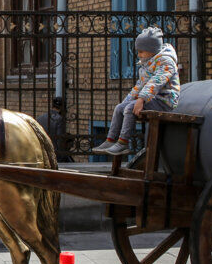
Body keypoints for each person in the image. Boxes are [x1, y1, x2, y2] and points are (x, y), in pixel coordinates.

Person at [93, 26, 180, 157]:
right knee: (119, 108)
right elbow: (139, 85)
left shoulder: (166, 62)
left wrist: (140, 100)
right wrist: (126, 102)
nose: (139, 55)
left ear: (152, 50)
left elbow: (155, 82)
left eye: (141, 52)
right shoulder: (148, 62)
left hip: (165, 100)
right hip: (151, 98)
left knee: (129, 108)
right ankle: (110, 140)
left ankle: (123, 144)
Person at [35, 96, 73, 163]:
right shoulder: (59, 119)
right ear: (62, 108)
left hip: (40, 152)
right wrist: (62, 155)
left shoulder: (40, 118)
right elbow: (60, 139)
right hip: (54, 154)